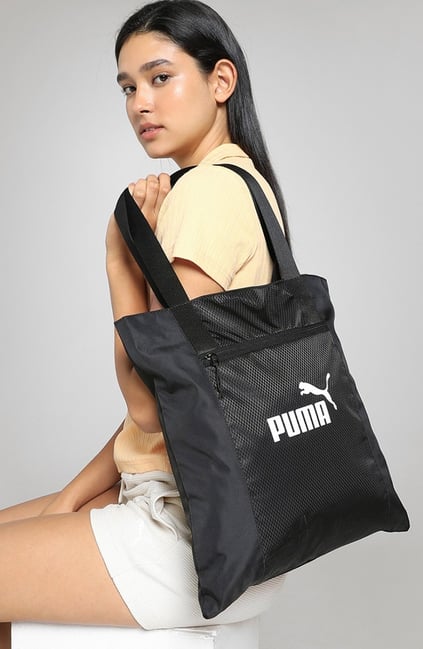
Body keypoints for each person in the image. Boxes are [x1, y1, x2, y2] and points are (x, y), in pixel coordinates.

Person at [0, 1, 290, 644]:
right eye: (128, 87)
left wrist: (120, 261)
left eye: (161, 78)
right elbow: (181, 402)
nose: (141, 104)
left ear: (221, 80)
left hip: (183, 534)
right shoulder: (247, 184)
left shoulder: (206, 194)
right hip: (218, 515)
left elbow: (155, 405)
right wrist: (69, 499)